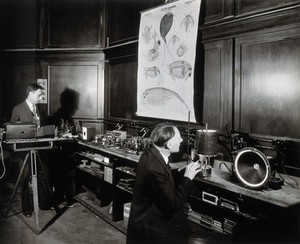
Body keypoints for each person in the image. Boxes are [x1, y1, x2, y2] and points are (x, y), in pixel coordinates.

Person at [127, 123, 202, 244]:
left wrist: (181, 172)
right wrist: (187, 178)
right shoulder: (154, 168)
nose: (182, 140)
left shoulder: (151, 153)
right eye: (179, 138)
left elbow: (163, 178)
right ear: (169, 145)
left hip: (146, 217)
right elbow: (173, 205)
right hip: (150, 227)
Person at [10, 83, 51, 217]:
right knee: (25, 178)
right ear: (31, 94)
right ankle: (26, 208)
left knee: (43, 173)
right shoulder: (18, 108)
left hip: (38, 148)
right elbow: (12, 131)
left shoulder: (37, 109)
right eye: (39, 95)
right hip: (24, 151)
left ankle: (44, 203)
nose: (40, 98)